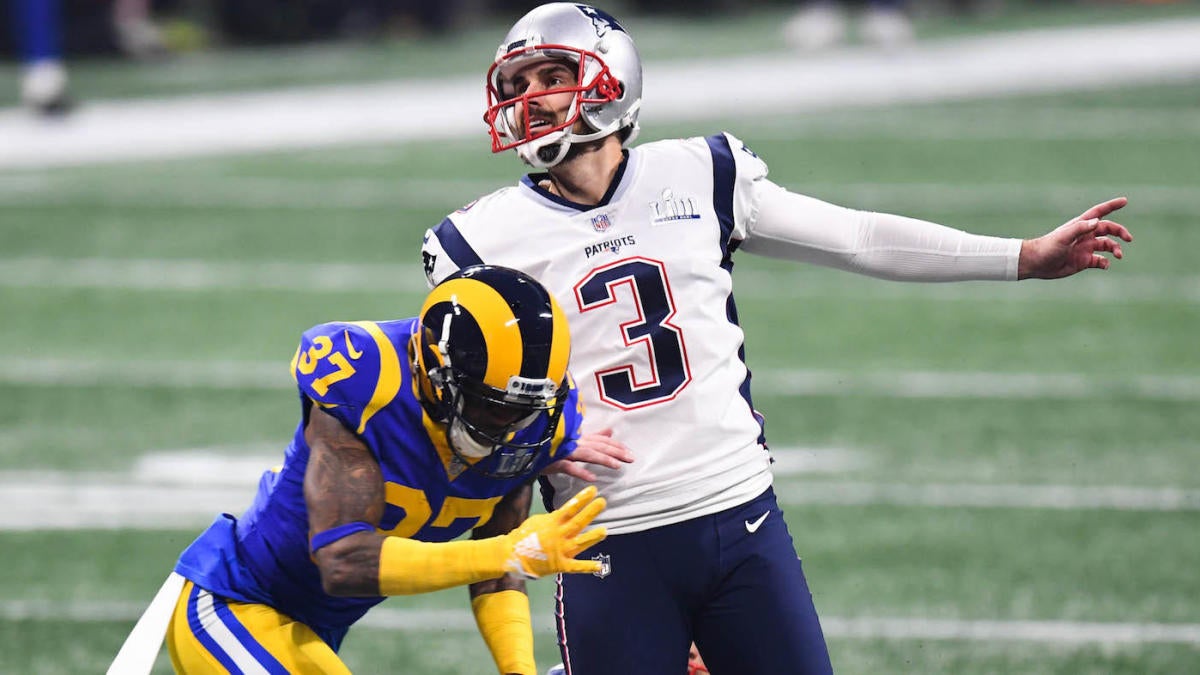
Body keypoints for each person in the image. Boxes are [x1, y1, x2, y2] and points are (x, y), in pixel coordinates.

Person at [419, 4, 1133, 673]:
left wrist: (1021, 256)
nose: (532, 97)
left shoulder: (700, 173)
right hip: (607, 537)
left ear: (613, 79)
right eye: (517, 84)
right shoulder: (479, 237)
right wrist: (542, 443)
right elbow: (460, 414)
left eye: (551, 76)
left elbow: (857, 238)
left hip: (740, 518)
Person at [132, 265, 614, 675]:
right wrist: (511, 552)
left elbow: (497, 571)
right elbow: (343, 560)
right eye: (493, 406)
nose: (509, 426)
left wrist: (518, 669)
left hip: (312, 630)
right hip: (236, 601)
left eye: (523, 411)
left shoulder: (537, 426)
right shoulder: (370, 384)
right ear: (438, 373)